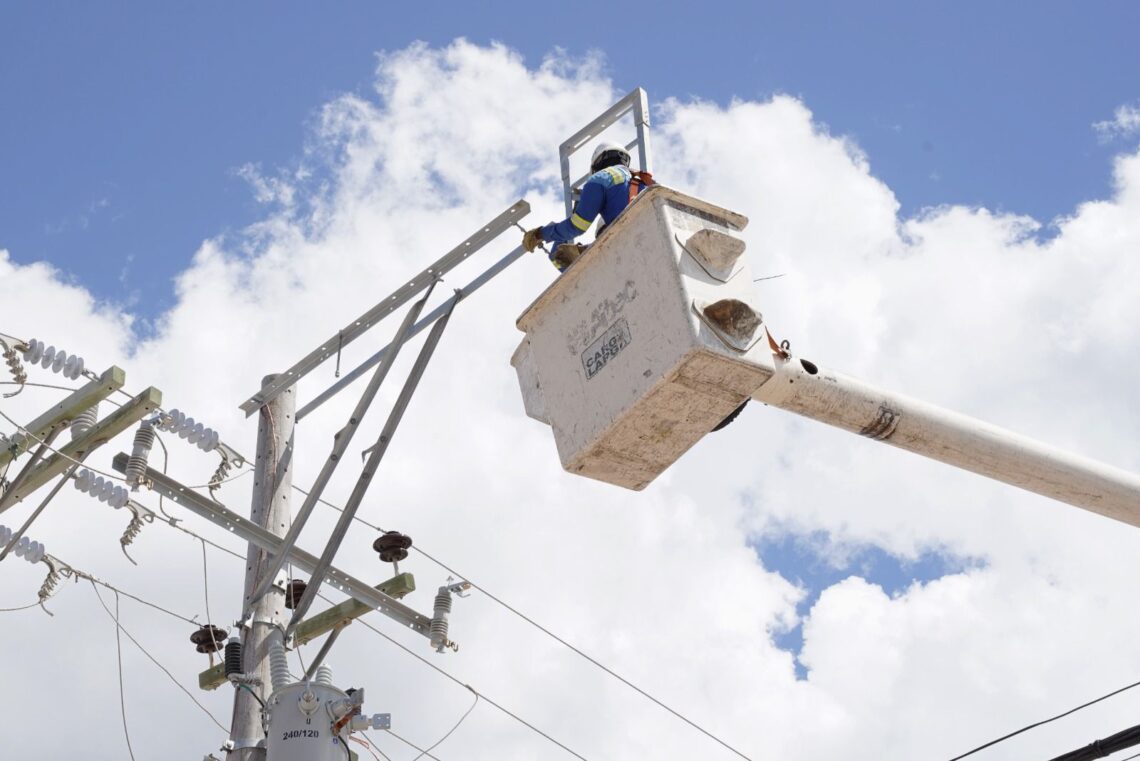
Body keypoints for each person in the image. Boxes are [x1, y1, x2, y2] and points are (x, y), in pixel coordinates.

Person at [522, 142, 653, 271]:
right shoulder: (646, 182)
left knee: (559, 257)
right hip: (652, 242)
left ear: (598, 163)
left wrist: (540, 234)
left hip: (628, 247)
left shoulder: (600, 178)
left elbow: (578, 226)